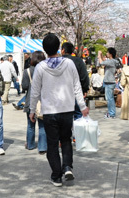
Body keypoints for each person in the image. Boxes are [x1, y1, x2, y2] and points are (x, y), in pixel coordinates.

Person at [29, 33, 89, 187]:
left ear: (44, 49)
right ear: (58, 48)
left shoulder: (40, 67)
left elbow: (35, 91)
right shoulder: (69, 64)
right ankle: (67, 166)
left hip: (49, 112)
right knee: (66, 140)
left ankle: (56, 176)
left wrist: (31, 110)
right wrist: (82, 106)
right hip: (67, 110)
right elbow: (77, 86)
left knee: (52, 144)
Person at [21, 51, 47, 154]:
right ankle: (42, 147)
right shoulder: (45, 70)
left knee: (30, 124)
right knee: (42, 125)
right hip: (42, 101)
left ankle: (30, 144)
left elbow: (24, 86)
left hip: (30, 100)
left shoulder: (27, 71)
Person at [61, 42, 90, 120]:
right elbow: (84, 76)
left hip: (61, 93)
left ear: (62, 50)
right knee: (78, 116)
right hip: (76, 92)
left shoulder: (58, 61)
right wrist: (85, 89)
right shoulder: (78, 61)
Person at [99, 47, 119, 119]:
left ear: (110, 54)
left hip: (109, 82)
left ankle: (112, 114)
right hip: (109, 81)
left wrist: (99, 55)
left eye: (107, 52)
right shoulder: (112, 61)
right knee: (110, 98)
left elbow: (101, 63)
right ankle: (111, 112)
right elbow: (104, 61)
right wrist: (101, 56)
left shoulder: (111, 61)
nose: (106, 54)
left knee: (109, 99)